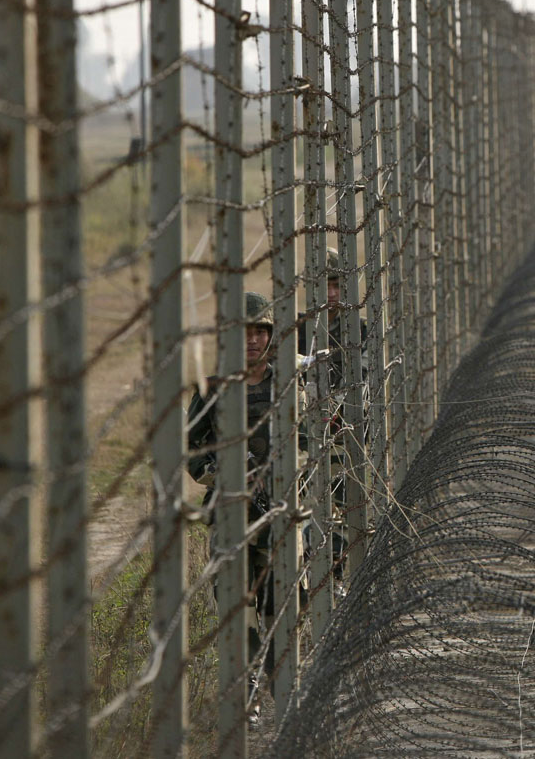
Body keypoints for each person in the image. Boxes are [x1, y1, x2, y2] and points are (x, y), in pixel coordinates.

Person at [186, 291, 299, 720]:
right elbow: (191, 448)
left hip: (280, 510)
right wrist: (220, 472)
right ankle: (244, 688)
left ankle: (281, 679)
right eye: (243, 333)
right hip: (231, 515)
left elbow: (306, 437)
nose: (252, 341)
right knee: (234, 605)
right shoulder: (215, 389)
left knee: (279, 602)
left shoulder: (288, 382)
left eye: (259, 332)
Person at [297, 247, 369, 589]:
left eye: (337, 284)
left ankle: (337, 584)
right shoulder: (295, 333)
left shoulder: (361, 332)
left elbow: (365, 383)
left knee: (340, 513)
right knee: (304, 516)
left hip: (346, 442)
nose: (330, 293)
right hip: (300, 442)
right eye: (323, 284)